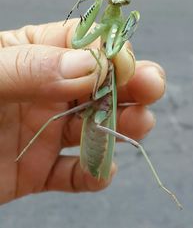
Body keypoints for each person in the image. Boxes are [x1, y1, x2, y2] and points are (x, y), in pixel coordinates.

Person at [0, 19, 166, 205]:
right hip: (95, 112)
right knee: (56, 116)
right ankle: (24, 150)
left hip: (101, 119)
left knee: (136, 141)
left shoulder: (108, 62)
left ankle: (162, 185)